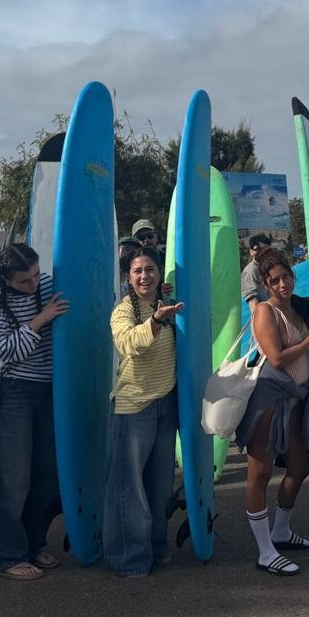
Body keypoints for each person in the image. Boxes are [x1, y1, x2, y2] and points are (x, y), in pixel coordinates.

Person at [0, 243, 69, 580]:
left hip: (52, 390)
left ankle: (34, 542)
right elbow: (5, 350)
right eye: (24, 281)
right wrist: (40, 320)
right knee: (12, 477)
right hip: (14, 392)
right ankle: (7, 554)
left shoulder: (47, 284)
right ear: (6, 279)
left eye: (35, 275)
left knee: (46, 473)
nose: (34, 284)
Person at [234, 248, 309, 576]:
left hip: (297, 400)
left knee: (300, 468)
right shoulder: (264, 311)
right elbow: (276, 358)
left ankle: (281, 531)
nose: (282, 284)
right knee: (259, 474)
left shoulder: (300, 306)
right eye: (274, 280)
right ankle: (264, 551)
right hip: (270, 401)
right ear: (265, 284)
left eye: (286, 276)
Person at [104, 247, 184, 576]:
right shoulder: (124, 310)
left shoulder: (168, 304)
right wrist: (156, 320)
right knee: (130, 488)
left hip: (166, 403)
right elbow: (128, 343)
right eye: (137, 271)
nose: (144, 276)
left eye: (150, 269)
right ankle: (130, 558)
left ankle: (156, 548)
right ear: (129, 277)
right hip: (133, 406)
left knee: (160, 485)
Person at [241, 233, 273, 315]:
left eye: (266, 249)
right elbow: (253, 303)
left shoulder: (270, 266)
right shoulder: (249, 272)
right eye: (258, 249)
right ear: (251, 252)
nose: (262, 252)